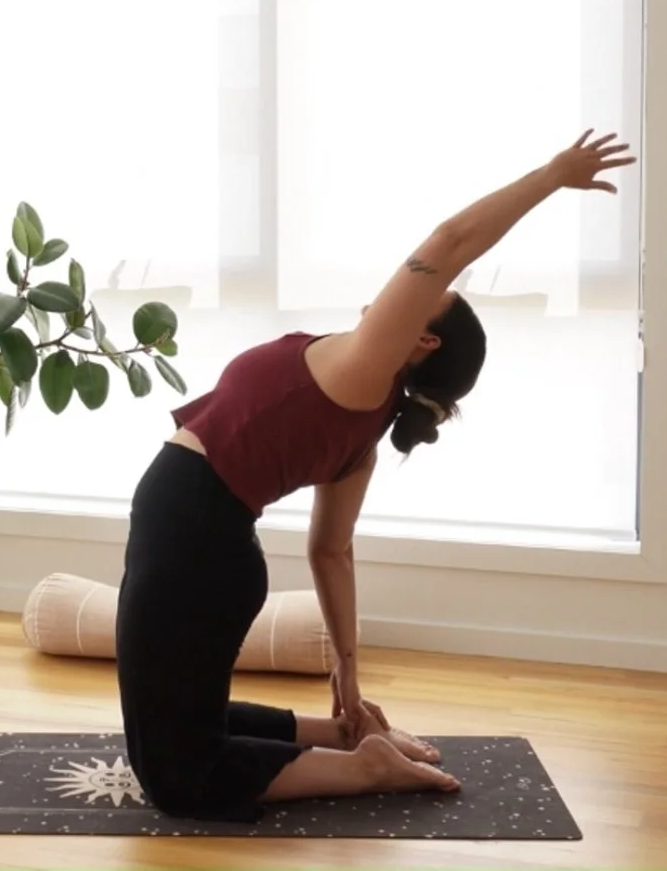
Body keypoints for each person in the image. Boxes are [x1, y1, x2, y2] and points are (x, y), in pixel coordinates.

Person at [113, 130, 637, 821]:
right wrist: (348, 684)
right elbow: (330, 551)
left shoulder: (366, 369)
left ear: (421, 339)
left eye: (430, 297)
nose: (413, 286)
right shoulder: (365, 418)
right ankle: (344, 737)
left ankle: (362, 770)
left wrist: (551, 175)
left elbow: (451, 240)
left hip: (191, 542)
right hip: (203, 545)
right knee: (183, 722)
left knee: (177, 779)